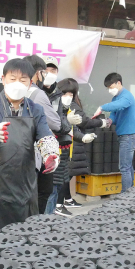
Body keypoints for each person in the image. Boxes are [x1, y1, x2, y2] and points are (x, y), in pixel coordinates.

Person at [0, 58, 60, 228]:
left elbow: (45, 136)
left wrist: (51, 154)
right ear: (3, 79)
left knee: (23, 235)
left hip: (24, 185)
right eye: (12, 79)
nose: (17, 84)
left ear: (30, 83)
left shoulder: (36, 109)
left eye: (23, 80)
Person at [23, 55, 69, 214]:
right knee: (43, 193)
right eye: (44, 71)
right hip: (38, 152)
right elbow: (55, 123)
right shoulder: (38, 94)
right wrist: (66, 121)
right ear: (37, 73)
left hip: (19, 152)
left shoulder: (15, 92)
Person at [56, 78, 105, 213]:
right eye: (65, 94)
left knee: (65, 174)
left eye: (71, 95)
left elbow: (74, 128)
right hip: (60, 146)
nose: (68, 97)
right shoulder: (55, 107)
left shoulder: (70, 107)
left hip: (70, 145)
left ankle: (63, 202)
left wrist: (82, 137)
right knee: (61, 176)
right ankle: (58, 204)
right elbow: (82, 122)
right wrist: (101, 123)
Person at [93, 73, 135, 193]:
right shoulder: (116, 98)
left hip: (129, 136)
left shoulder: (127, 96)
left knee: (124, 168)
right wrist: (108, 121)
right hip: (124, 136)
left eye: (111, 87)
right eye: (108, 88)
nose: (110, 90)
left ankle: (125, 196)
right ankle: (131, 193)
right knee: (128, 167)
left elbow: (119, 105)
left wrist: (102, 107)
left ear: (119, 83)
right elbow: (115, 115)